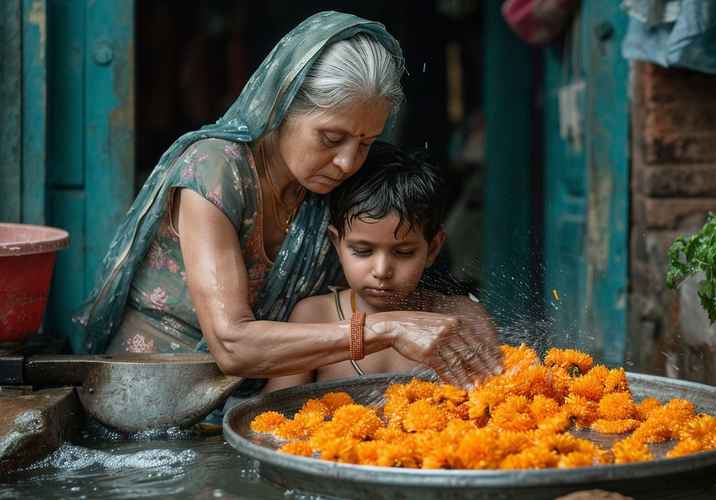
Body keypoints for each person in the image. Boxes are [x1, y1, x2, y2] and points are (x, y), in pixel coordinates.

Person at [75, 11, 500, 391]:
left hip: (250, 398)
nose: (348, 161)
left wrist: (456, 312)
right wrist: (386, 328)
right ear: (281, 107)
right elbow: (232, 345)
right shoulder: (214, 170)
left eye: (366, 142)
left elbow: (383, 270)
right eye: (331, 138)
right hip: (153, 396)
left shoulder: (327, 187)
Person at [266, 142, 497, 392]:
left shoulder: (462, 319)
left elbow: (496, 399)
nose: (382, 270)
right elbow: (275, 413)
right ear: (336, 244)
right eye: (362, 251)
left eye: (404, 252)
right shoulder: (314, 317)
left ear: (432, 249)